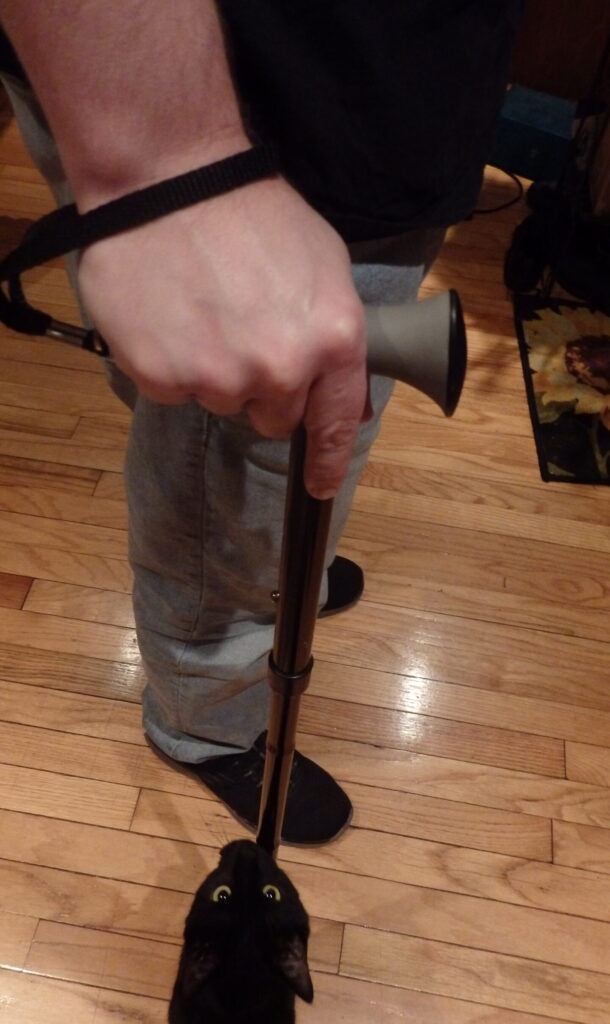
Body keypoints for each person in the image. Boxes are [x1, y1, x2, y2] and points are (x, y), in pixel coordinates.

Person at [0, 0, 522, 844]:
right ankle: (203, 724)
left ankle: (284, 575)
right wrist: (163, 165)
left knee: (233, 433)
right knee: (236, 480)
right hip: (251, 123)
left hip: (345, 105)